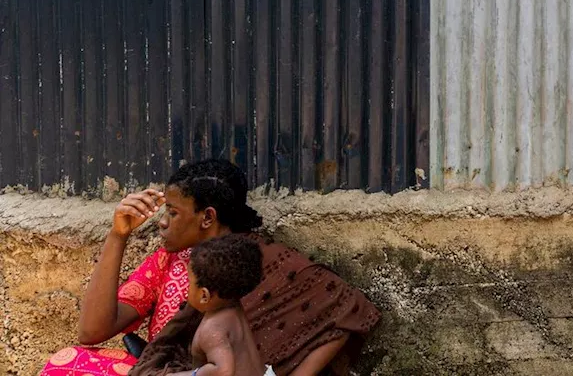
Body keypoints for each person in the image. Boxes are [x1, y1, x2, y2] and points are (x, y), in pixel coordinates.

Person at [41, 159, 379, 376]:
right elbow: (91, 333)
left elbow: (344, 308)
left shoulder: (262, 264)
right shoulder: (168, 259)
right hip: (161, 369)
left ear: (207, 217)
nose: (162, 223)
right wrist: (118, 235)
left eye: (172, 213)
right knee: (69, 360)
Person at [178, 235, 271, 376]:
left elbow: (223, 371)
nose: (187, 288)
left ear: (204, 295)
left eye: (189, 282)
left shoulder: (211, 329)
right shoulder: (233, 305)